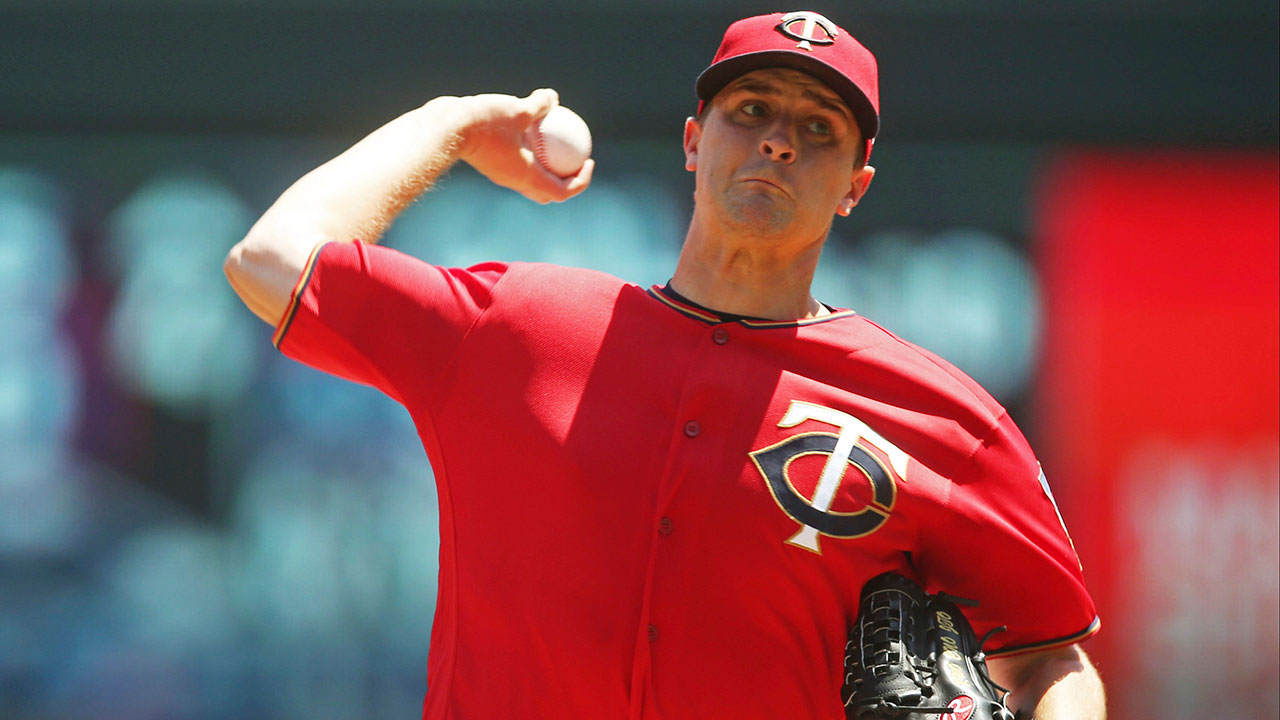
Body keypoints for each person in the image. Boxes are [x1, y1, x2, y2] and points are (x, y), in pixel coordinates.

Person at [224, 10, 1106, 720]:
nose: (777, 142)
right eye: (750, 110)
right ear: (693, 140)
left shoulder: (939, 418)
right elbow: (268, 261)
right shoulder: (516, 328)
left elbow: (1050, 659)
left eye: (818, 127)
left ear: (856, 185)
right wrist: (451, 123)